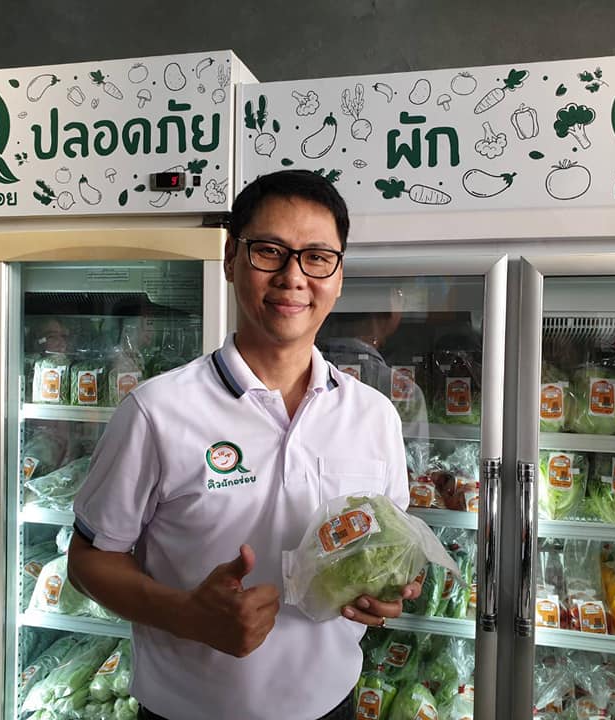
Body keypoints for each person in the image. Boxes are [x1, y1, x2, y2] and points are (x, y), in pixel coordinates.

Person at [68, 169, 419, 720]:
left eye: (317, 257)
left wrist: (389, 587)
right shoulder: (157, 411)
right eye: (269, 252)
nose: (293, 277)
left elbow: (388, 542)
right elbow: (89, 559)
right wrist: (187, 615)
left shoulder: (374, 415)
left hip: (333, 706)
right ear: (232, 257)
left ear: (339, 275)